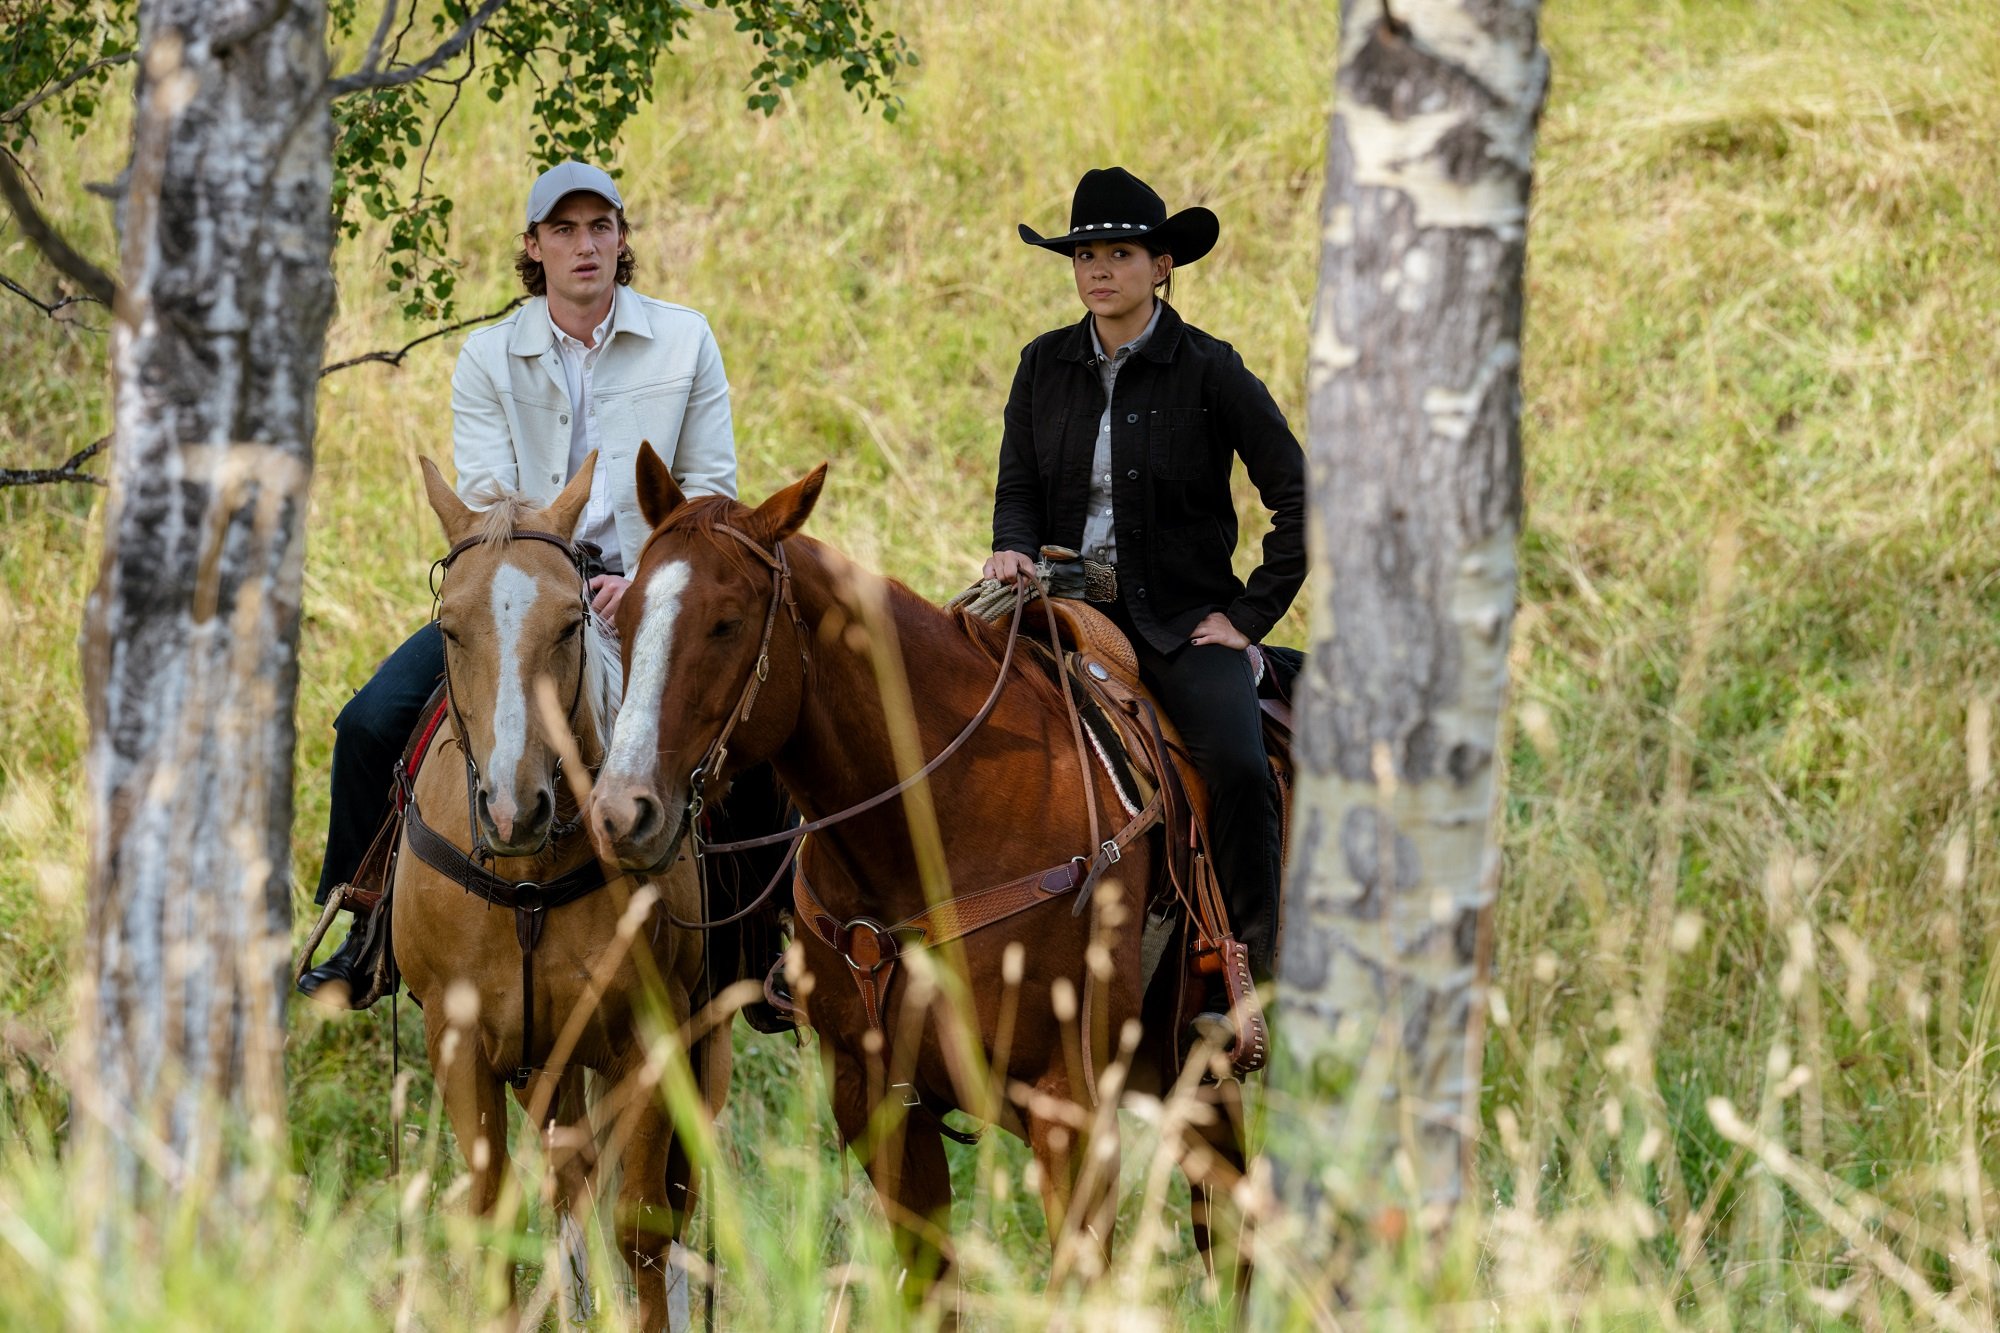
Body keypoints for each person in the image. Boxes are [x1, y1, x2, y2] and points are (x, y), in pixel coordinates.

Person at [298, 160, 740, 1003]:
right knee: (368, 723)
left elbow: (711, 489)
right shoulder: (489, 356)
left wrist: (642, 578)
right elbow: (493, 503)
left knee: (752, 729)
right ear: (533, 248)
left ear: (622, 239)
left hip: (649, 595)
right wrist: (564, 583)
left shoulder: (686, 339)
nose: (586, 246)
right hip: (524, 594)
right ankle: (366, 924)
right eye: (564, 231)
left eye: (601, 227)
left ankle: (754, 941)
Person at [985, 166, 1307, 1041]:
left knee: (1238, 765)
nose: (1098, 270)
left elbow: (1299, 496)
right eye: (1085, 254)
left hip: (1177, 620)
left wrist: (1246, 618)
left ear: (1160, 265)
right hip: (1051, 606)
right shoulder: (1042, 363)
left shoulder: (1210, 370)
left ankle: (1246, 974)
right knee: (918, 691)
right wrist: (1010, 544)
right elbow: (1017, 486)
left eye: (1119, 254)